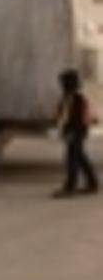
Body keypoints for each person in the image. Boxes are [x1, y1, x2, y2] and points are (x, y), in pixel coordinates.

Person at [52, 69, 99, 198]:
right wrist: (60, 127)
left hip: (77, 132)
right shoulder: (67, 98)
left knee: (72, 159)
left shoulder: (77, 99)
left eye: (64, 82)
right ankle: (92, 183)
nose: (62, 85)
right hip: (73, 132)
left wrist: (72, 133)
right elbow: (63, 116)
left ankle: (70, 187)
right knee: (80, 157)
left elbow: (79, 119)